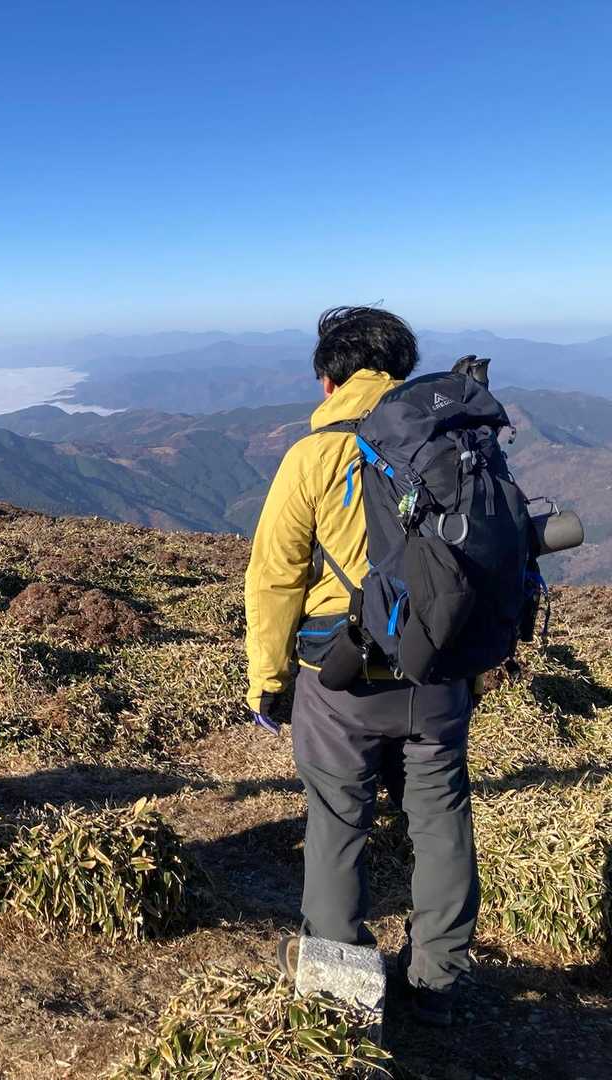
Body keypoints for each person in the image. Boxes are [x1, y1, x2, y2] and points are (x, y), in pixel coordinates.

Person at [244, 307, 477, 1027]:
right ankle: (438, 981)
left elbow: (274, 576)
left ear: (328, 380)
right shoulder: (454, 438)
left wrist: (269, 680)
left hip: (340, 676)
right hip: (439, 674)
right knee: (439, 818)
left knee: (339, 820)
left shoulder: (314, 455)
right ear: (402, 371)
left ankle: (341, 985)